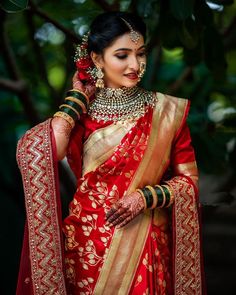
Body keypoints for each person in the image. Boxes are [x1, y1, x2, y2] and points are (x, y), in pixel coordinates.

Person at [16, 11, 205, 295]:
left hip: (143, 247)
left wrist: (144, 197)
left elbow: (189, 183)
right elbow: (46, 152)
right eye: (122, 55)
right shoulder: (83, 112)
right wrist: (77, 97)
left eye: (140, 54)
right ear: (96, 58)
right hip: (85, 247)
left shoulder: (167, 112)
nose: (135, 65)